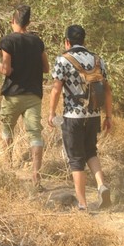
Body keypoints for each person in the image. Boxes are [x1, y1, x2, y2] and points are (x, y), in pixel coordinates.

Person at [48, 25, 113, 211]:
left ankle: (82, 204)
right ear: (84, 40)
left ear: (67, 41)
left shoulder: (63, 60)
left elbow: (56, 88)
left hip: (72, 116)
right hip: (93, 114)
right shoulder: (98, 60)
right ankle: (102, 185)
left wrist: (52, 113)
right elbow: (107, 91)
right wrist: (108, 116)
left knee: (76, 158)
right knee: (91, 151)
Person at [0, 5, 49, 190]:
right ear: (29, 23)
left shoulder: (7, 41)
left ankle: (7, 169)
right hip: (33, 95)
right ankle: (36, 176)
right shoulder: (37, 41)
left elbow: (6, 69)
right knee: (35, 134)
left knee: (7, 132)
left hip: (12, 95)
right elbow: (46, 68)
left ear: (13, 21)